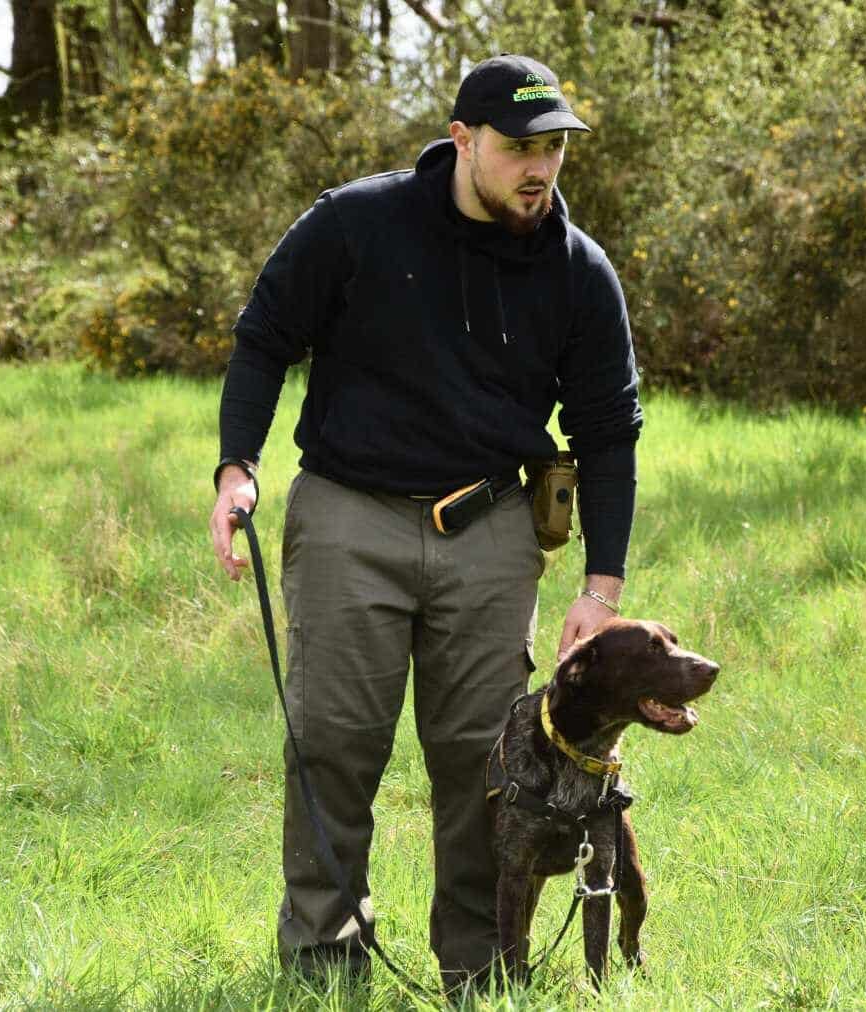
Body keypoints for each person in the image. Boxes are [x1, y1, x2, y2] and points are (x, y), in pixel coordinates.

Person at [208, 54, 642, 993]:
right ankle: (326, 959)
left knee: (486, 761)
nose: (541, 168)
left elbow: (609, 432)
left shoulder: (577, 271)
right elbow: (264, 335)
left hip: (489, 527)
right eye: (520, 147)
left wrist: (600, 589)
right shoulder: (358, 223)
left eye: (556, 148)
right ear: (462, 140)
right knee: (333, 739)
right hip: (347, 516)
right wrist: (237, 466)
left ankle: (478, 965)